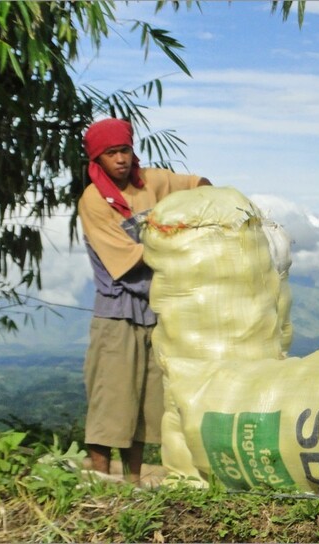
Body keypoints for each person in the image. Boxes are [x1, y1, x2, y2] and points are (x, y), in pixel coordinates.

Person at [77, 117, 211, 484]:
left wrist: (213, 205)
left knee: (142, 403)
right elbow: (126, 259)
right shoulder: (93, 201)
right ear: (97, 160)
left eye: (124, 150)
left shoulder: (149, 182)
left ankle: (133, 482)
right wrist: (176, 241)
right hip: (117, 314)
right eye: (110, 154)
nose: (120, 159)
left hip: (152, 312)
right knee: (111, 401)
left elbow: (194, 185)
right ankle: (102, 483)